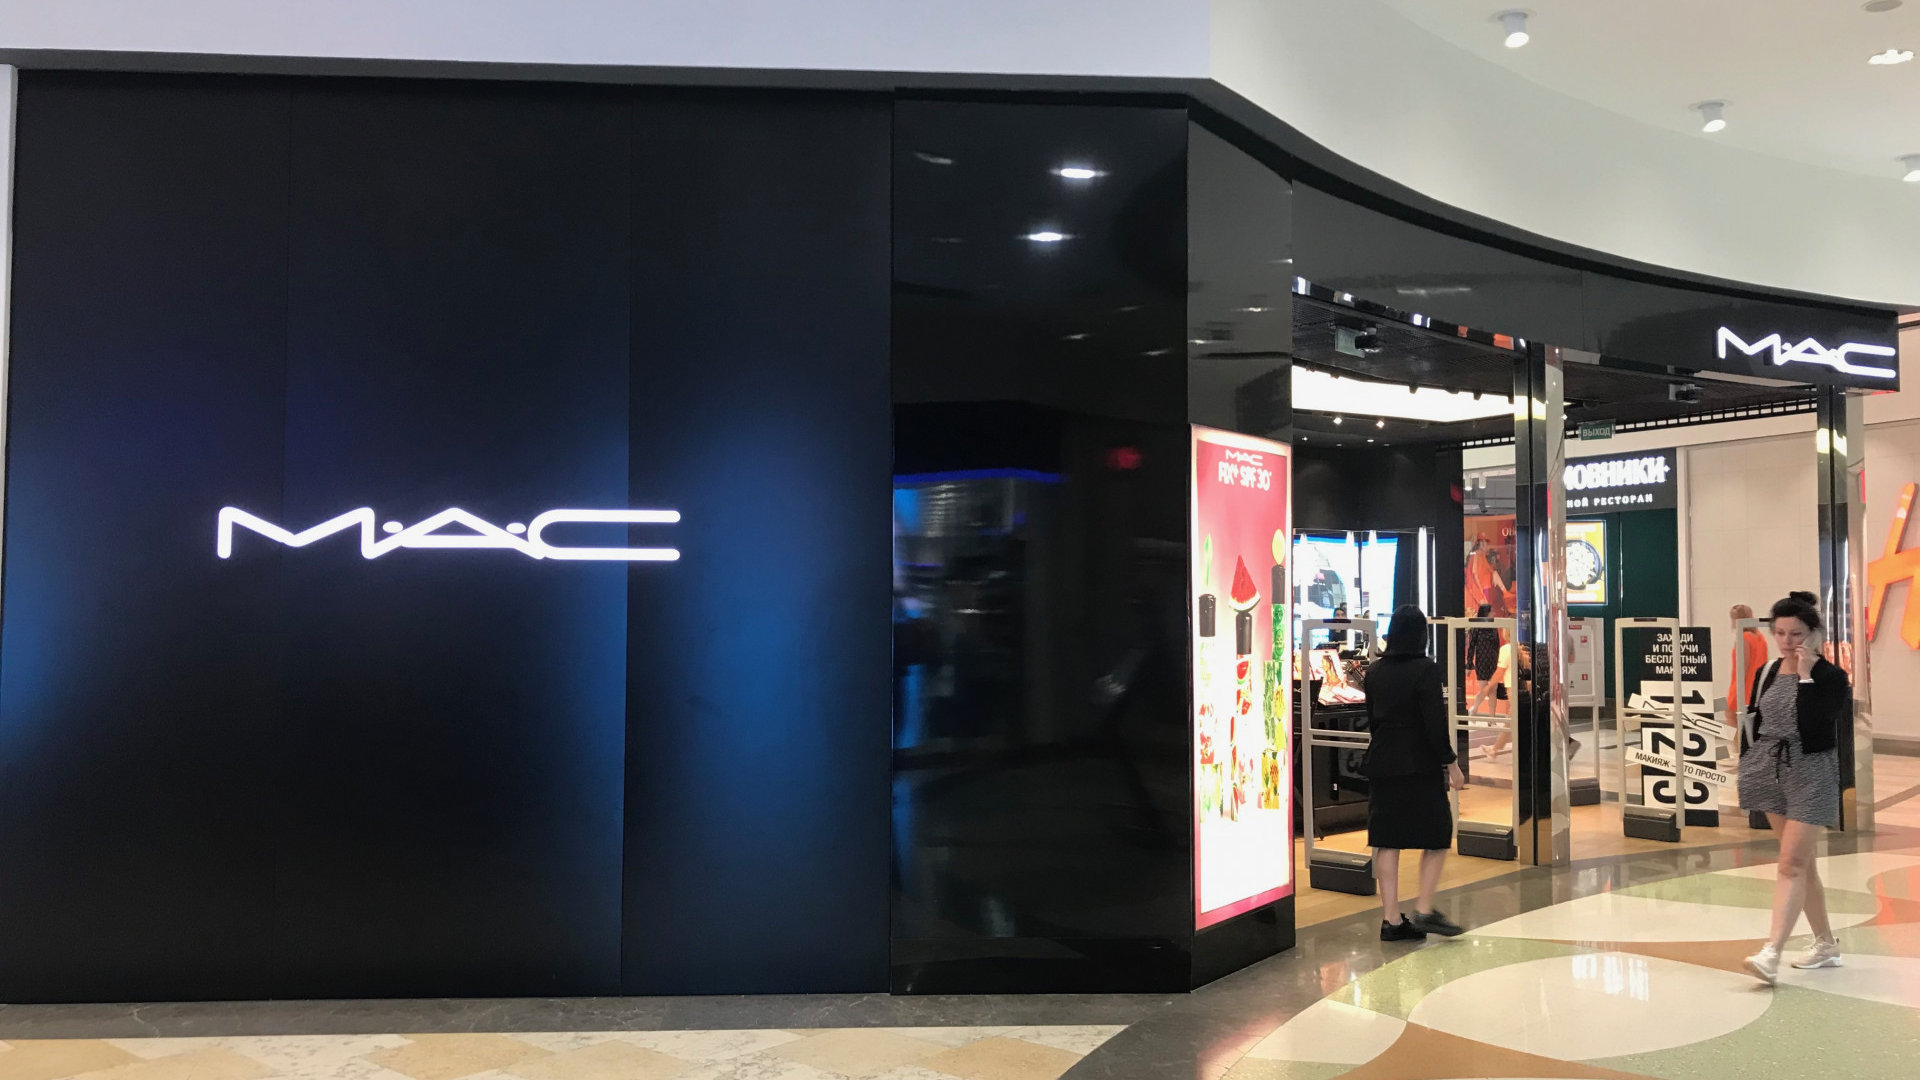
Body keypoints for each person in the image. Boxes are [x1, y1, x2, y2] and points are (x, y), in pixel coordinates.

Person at [1739, 591, 1852, 985]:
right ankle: (1826, 944)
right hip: (1770, 770)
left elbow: (1817, 726)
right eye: (1781, 633)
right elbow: (1758, 719)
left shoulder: (1830, 677)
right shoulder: (1768, 671)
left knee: (1790, 864)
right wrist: (1749, 766)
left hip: (1812, 771)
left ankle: (1771, 952)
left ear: (1814, 634)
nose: (1788, 641)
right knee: (1803, 865)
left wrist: (1805, 677)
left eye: (1797, 633)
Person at [1362, 605, 1468, 942]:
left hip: (1383, 761)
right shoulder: (1426, 670)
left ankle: (1392, 920)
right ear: (1422, 635)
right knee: (1438, 833)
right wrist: (1451, 763)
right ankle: (1423, 909)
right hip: (1418, 763)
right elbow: (1434, 723)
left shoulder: (1374, 672)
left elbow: (1373, 720)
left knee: (1386, 839)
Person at [1725, 604, 1770, 733]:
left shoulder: (1744, 638)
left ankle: (1737, 745)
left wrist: (1734, 694)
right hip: (1758, 687)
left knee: (1732, 719)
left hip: (1743, 688)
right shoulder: (1760, 637)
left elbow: (1742, 668)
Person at [1467, 606, 1502, 717]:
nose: (1494, 613)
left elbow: (1497, 646)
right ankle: (1474, 708)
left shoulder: (1493, 628)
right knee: (1484, 689)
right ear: (1486, 613)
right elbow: (1471, 647)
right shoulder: (1476, 628)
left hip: (1493, 662)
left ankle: (1492, 718)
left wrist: (1498, 662)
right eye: (1491, 611)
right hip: (1481, 662)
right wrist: (1469, 664)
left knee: (1493, 690)